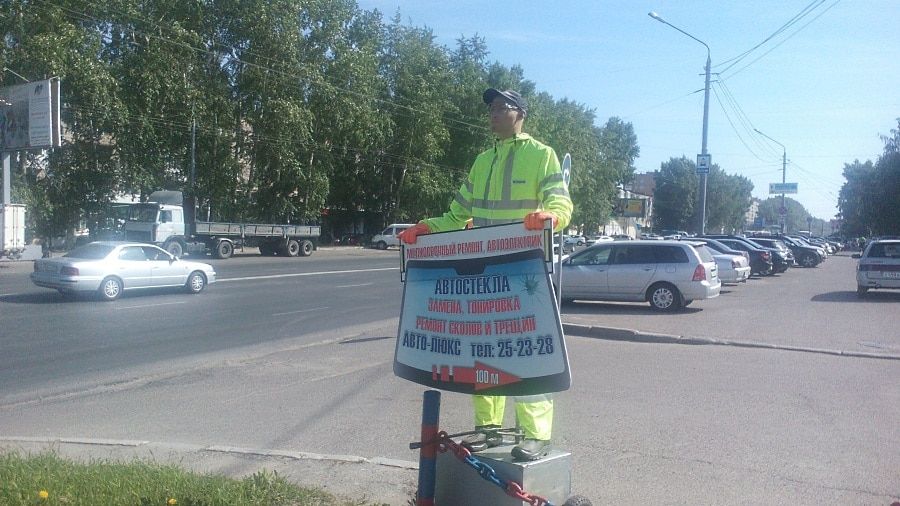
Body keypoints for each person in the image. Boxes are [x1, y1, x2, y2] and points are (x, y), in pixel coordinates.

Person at [398, 88, 573, 461]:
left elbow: (561, 202)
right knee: (484, 352)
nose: (492, 114)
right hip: (483, 277)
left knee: (528, 354)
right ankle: (489, 430)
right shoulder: (482, 162)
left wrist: (551, 217)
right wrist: (427, 228)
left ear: (519, 113)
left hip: (526, 273)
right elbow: (455, 216)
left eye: (499, 107)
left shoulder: (541, 155)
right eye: (490, 108)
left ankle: (535, 435)